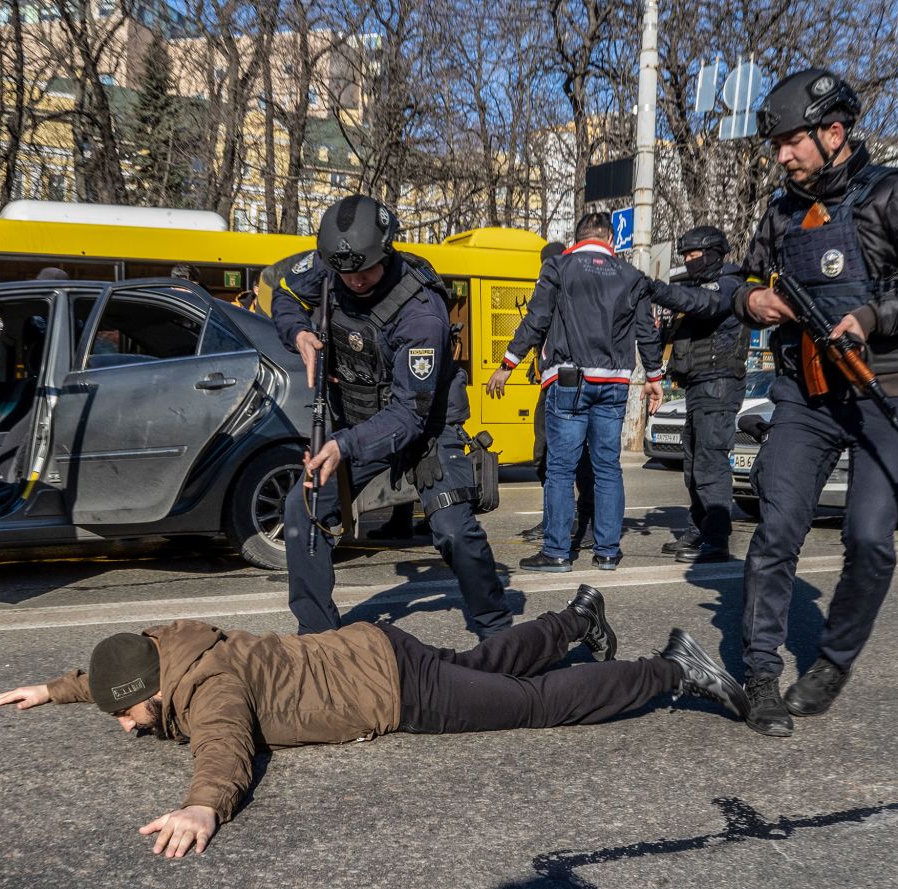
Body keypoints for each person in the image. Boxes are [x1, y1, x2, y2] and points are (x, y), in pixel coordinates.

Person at [0, 586, 746, 858]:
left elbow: (223, 747)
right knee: (485, 662)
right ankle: (575, 618)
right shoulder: (169, 645)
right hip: (373, 644)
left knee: (537, 703)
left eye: (132, 714)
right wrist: (56, 690)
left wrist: (200, 803)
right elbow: (116, 672)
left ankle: (675, 668)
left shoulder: (208, 685)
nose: (129, 725)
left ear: (160, 686)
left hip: (393, 691)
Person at [733, 68, 898, 737]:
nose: (780, 156)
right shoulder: (782, 210)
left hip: (888, 393)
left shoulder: (895, 196)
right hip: (806, 395)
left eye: (790, 142)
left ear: (832, 133)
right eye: (776, 145)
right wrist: (749, 299)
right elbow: (743, 277)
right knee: (776, 530)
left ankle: (834, 660)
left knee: (869, 538)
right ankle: (759, 674)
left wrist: (876, 315)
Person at [272, 194, 513, 638]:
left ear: (386, 251)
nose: (355, 281)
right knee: (300, 511)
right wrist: (300, 332)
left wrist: (343, 445)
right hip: (356, 422)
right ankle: (319, 638)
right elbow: (283, 292)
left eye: (364, 271)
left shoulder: (421, 313)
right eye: (345, 273)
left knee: (453, 531)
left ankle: (499, 633)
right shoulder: (332, 266)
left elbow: (409, 415)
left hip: (425, 428)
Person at [487, 213, 667, 573]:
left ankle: (555, 552)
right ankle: (607, 552)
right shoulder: (631, 276)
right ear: (610, 240)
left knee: (560, 469)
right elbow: (646, 330)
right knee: (607, 469)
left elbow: (536, 318)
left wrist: (507, 364)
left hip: (569, 380)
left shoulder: (559, 266)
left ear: (578, 237)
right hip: (614, 383)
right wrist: (654, 376)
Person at [659, 226, 749, 564]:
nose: (688, 261)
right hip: (699, 385)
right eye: (684, 256)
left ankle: (717, 538)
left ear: (712, 253)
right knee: (694, 462)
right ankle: (701, 527)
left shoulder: (728, 284)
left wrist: (658, 290)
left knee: (711, 462)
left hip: (720, 383)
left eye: (693, 255)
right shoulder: (698, 287)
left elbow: (706, 304)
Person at [520, 240, 597, 551]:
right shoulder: (550, 287)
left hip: (575, 381)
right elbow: (541, 328)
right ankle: (555, 518)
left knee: (580, 459)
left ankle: (587, 521)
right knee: (545, 456)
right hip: (549, 382)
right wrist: (534, 362)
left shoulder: (577, 292)